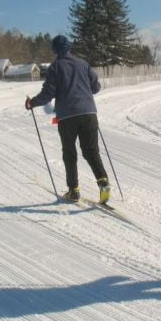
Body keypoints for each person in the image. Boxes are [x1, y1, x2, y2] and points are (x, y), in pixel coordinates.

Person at [26, 34, 110, 204]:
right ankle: (103, 183)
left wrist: (32, 102)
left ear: (55, 51)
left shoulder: (55, 67)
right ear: (69, 47)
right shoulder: (83, 64)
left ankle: (74, 190)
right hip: (88, 113)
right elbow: (96, 87)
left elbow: (47, 94)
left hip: (67, 117)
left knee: (70, 153)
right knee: (91, 151)